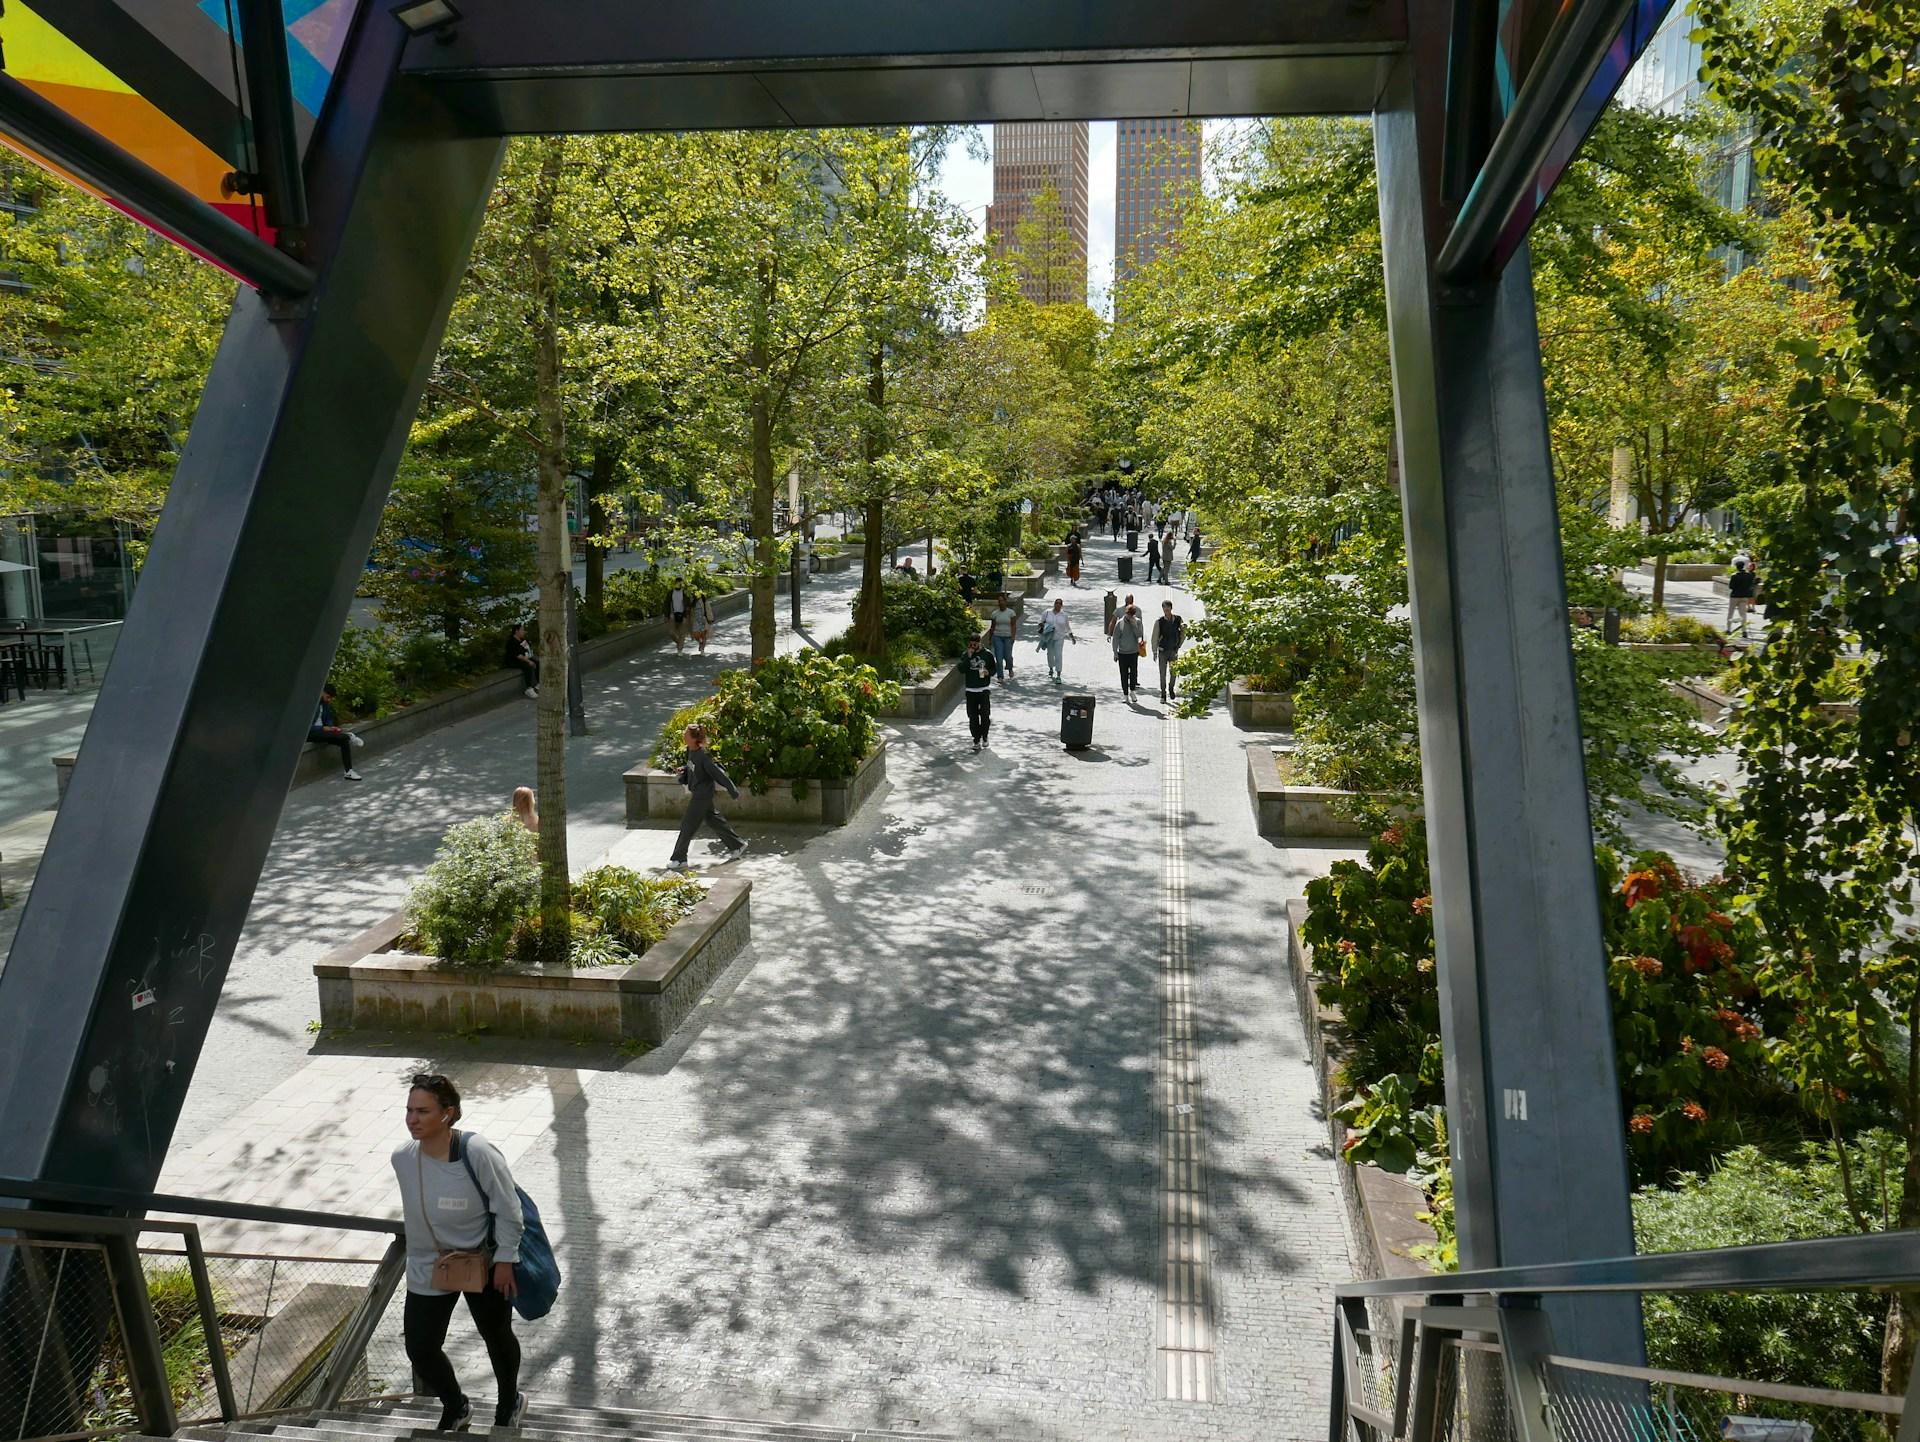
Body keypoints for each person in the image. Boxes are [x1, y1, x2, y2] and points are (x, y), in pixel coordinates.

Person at [393, 1073, 527, 1434]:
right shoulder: (403, 1158)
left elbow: (509, 1208)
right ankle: (456, 1405)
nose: (412, 1119)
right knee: (420, 1347)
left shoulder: (477, 1151)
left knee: (496, 1335)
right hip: (429, 1264)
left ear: (448, 1113)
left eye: (423, 1111)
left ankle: (509, 1401)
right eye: (409, 1110)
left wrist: (505, 1259)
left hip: (482, 1263)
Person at [669, 723, 747, 869]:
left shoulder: (703, 756)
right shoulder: (690, 751)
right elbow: (693, 767)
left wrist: (732, 790)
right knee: (713, 820)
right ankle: (737, 845)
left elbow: (718, 774)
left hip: (702, 795)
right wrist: (684, 769)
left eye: (686, 734)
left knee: (688, 825)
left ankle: (679, 858)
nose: (684, 735)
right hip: (699, 793)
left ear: (693, 738)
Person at [310, 689, 365, 781]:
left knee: (343, 740)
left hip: (324, 732)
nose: (329, 700)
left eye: (330, 698)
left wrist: (331, 727)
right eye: (328, 697)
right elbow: (306, 727)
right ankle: (349, 736)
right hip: (311, 734)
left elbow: (328, 719)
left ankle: (349, 771)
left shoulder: (325, 705)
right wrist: (323, 728)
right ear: (322, 692)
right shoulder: (310, 704)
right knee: (340, 736)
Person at [960, 633, 999, 750]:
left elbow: (994, 669)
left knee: (985, 715)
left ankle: (985, 736)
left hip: (983, 689)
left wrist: (989, 672)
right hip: (970, 690)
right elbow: (961, 669)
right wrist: (968, 657)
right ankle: (976, 739)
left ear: (979, 643)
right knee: (973, 717)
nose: (973, 646)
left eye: (975, 644)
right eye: (971, 644)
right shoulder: (966, 654)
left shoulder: (987, 654)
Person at [1151, 599, 1185, 703]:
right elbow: (1155, 637)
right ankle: (1163, 693)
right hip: (1162, 650)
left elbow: (1183, 633)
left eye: (1168, 607)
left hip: (1173, 650)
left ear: (1171, 608)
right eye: (1164, 608)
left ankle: (1171, 688)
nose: (1166, 610)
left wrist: (1179, 645)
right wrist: (1154, 651)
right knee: (1162, 673)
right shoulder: (1159, 621)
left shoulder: (1178, 619)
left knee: (1174, 672)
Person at [1110, 603, 1144, 700]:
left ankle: (1132, 691)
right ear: (1126, 613)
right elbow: (1115, 638)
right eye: (1128, 614)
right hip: (1122, 653)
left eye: (1132, 615)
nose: (1129, 617)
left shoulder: (1137, 622)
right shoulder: (1120, 623)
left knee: (1133, 673)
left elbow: (1139, 635)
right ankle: (1125, 694)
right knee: (1123, 674)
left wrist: (1134, 625)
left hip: (1133, 652)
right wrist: (1115, 653)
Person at [1038, 597, 1074, 681]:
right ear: (1054, 604)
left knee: (1058, 655)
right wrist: (1046, 627)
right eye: (1056, 603)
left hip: (1059, 637)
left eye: (1059, 603)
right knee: (1050, 655)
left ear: (1062, 606)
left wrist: (1072, 637)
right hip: (1049, 637)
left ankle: (1058, 674)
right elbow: (1040, 621)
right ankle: (1051, 668)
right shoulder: (1047, 612)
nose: (1057, 605)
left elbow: (1067, 627)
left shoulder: (1064, 615)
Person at [988, 592, 1020, 683]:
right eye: (999, 601)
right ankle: (1000, 676)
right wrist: (990, 638)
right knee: (998, 657)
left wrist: (1013, 637)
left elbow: (1013, 625)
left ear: (1006, 602)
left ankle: (1010, 668)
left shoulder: (1011, 613)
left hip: (1008, 637)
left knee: (1008, 656)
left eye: (1002, 601)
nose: (1001, 603)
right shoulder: (995, 613)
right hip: (997, 637)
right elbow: (992, 627)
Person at [1726, 559, 1758, 636]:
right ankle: (1744, 631)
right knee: (1743, 614)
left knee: (1731, 613)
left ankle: (1728, 629)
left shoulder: (1734, 575)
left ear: (1737, 567)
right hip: (1744, 596)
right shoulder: (1749, 575)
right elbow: (1751, 585)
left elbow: (1731, 586)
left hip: (1735, 596)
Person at [505, 624, 538, 698]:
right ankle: (529, 688)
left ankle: (537, 684)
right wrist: (529, 661)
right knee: (528, 666)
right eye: (522, 630)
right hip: (515, 660)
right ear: (517, 631)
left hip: (525, 657)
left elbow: (528, 650)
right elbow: (518, 655)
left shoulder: (522, 640)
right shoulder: (511, 642)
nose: (524, 632)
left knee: (538, 662)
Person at [668, 583, 689, 651]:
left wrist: (686, 615)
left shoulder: (685, 593)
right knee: (671, 633)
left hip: (683, 615)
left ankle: (680, 649)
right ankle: (679, 642)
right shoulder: (671, 593)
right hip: (673, 615)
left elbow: (688, 604)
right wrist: (667, 614)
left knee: (682, 633)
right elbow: (667, 603)